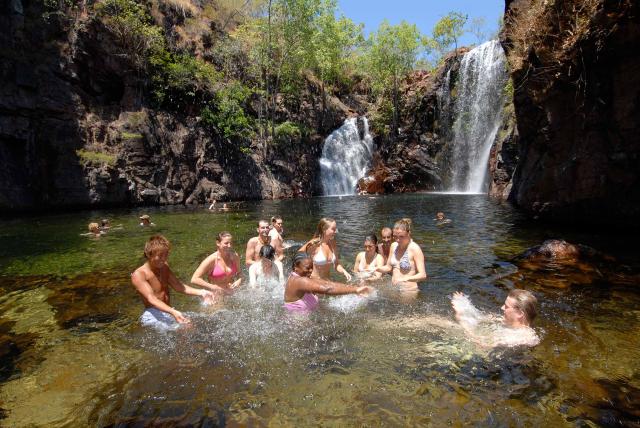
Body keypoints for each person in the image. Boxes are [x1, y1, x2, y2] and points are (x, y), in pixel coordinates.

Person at [131, 235, 215, 328]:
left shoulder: (164, 267)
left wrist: (201, 292)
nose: (164, 259)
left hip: (168, 311)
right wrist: (173, 311)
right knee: (185, 328)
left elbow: (178, 286)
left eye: (166, 254)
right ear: (149, 254)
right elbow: (152, 298)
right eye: (160, 256)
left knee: (194, 324)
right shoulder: (139, 274)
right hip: (152, 315)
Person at [451, 289, 540, 347]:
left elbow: (481, 345)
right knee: (444, 324)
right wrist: (465, 305)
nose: (502, 308)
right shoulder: (504, 321)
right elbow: (479, 317)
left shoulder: (524, 337)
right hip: (478, 338)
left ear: (520, 313)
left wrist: (462, 320)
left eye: (506, 306)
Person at [284, 253, 371, 312]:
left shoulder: (296, 277)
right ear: (296, 267)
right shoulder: (299, 281)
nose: (310, 271)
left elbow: (326, 284)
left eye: (312, 267)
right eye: (307, 268)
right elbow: (327, 288)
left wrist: (353, 287)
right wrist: (355, 290)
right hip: (299, 325)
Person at [376, 218, 427, 292]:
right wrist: (376, 269)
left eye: (401, 237)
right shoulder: (393, 246)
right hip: (394, 289)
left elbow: (423, 275)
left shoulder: (415, 249)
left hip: (408, 291)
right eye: (395, 236)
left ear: (408, 233)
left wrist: (404, 279)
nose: (398, 240)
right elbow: (388, 267)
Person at [299, 217, 352, 281]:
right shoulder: (315, 243)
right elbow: (299, 254)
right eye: (333, 229)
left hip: (327, 282)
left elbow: (336, 264)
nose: (336, 231)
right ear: (324, 229)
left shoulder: (333, 243)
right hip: (314, 282)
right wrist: (303, 272)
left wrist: (344, 271)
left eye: (336, 229)